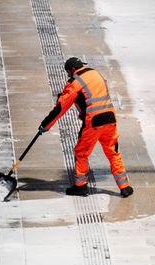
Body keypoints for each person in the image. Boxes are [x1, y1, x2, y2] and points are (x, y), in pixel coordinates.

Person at [39, 57, 134, 198]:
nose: (68, 75)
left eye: (68, 72)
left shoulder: (75, 82)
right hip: (110, 118)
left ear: (72, 69)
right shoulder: (96, 73)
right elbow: (94, 95)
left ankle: (80, 186)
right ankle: (124, 187)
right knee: (113, 153)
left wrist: (45, 125)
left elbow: (61, 107)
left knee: (81, 153)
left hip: (93, 122)